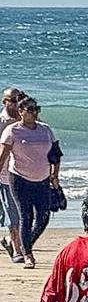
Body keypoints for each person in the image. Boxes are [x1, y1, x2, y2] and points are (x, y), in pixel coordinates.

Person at [0, 96, 61, 268]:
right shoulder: (12, 131)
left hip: (42, 179)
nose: (34, 113)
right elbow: (2, 157)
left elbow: (55, 153)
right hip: (19, 179)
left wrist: (54, 175)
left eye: (36, 109)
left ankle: (23, 244)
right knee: (26, 216)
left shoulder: (45, 129)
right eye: (30, 109)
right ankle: (28, 255)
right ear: (20, 112)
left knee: (43, 217)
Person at [0, 88, 23, 263]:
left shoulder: (27, 119)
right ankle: (16, 249)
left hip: (26, 174)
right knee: (12, 213)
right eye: (13, 100)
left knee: (25, 213)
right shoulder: (1, 122)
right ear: (5, 102)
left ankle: (11, 241)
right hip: (5, 174)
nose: (17, 103)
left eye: (19, 99)